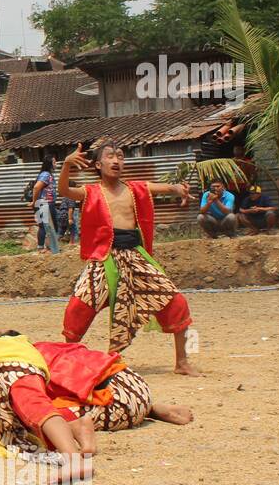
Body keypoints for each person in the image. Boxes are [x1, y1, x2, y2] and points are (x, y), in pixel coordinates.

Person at [0, 299, 192, 465]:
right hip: (134, 387)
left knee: (29, 414)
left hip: (115, 403)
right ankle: (150, 408)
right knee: (28, 407)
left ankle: (73, 448)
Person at [58, 138, 197, 374]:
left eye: (120, 156)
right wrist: (66, 165)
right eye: (110, 156)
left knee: (177, 302)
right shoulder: (90, 191)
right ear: (98, 165)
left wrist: (177, 189)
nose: (116, 160)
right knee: (77, 308)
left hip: (135, 257)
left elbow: (162, 187)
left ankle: (183, 362)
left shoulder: (135, 189)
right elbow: (64, 191)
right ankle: (66, 362)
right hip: (104, 259)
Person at [31, 155, 58, 253]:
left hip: (44, 203)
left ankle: (44, 247)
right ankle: (44, 248)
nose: (56, 164)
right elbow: (36, 187)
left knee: (45, 225)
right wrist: (34, 202)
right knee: (47, 225)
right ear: (49, 164)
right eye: (54, 162)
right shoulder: (46, 174)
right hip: (45, 203)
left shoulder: (47, 174)